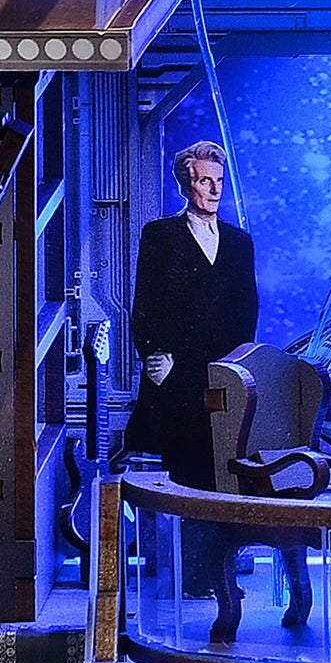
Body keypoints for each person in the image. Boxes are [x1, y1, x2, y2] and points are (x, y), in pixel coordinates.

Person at [124, 140, 257, 485]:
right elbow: (145, 306)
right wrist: (155, 356)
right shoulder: (161, 236)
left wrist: (240, 366)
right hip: (175, 374)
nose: (215, 190)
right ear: (187, 185)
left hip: (223, 375)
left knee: (225, 464)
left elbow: (247, 313)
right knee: (180, 469)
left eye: (219, 181)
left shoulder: (240, 243)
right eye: (205, 181)